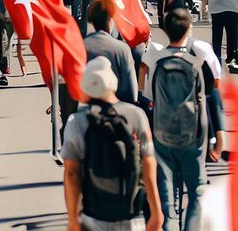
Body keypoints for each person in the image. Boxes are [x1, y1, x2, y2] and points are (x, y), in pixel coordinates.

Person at [62, 56, 163, 231]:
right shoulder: (137, 116)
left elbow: (71, 173)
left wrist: (73, 218)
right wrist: (156, 212)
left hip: (93, 216)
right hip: (132, 216)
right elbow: (148, 165)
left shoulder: (76, 122)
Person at [140, 9, 208, 231]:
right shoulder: (197, 60)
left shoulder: (155, 59)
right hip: (192, 135)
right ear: (189, 29)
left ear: (165, 30)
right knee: (196, 193)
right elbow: (205, 100)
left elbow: (148, 97)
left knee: (166, 196)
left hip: (162, 134)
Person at [84, 0, 138, 104]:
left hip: (87, 111)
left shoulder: (80, 47)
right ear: (111, 20)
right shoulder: (122, 49)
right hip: (117, 112)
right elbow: (132, 94)